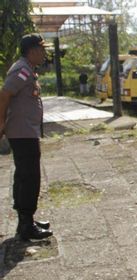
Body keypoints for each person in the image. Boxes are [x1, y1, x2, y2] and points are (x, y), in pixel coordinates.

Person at [0, 33, 53, 241]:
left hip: (25, 131)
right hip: (22, 132)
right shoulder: (22, 70)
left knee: (25, 174)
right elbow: (5, 94)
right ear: (32, 51)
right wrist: (1, 123)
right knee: (29, 176)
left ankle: (26, 220)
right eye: (42, 49)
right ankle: (25, 227)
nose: (44, 53)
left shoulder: (27, 68)